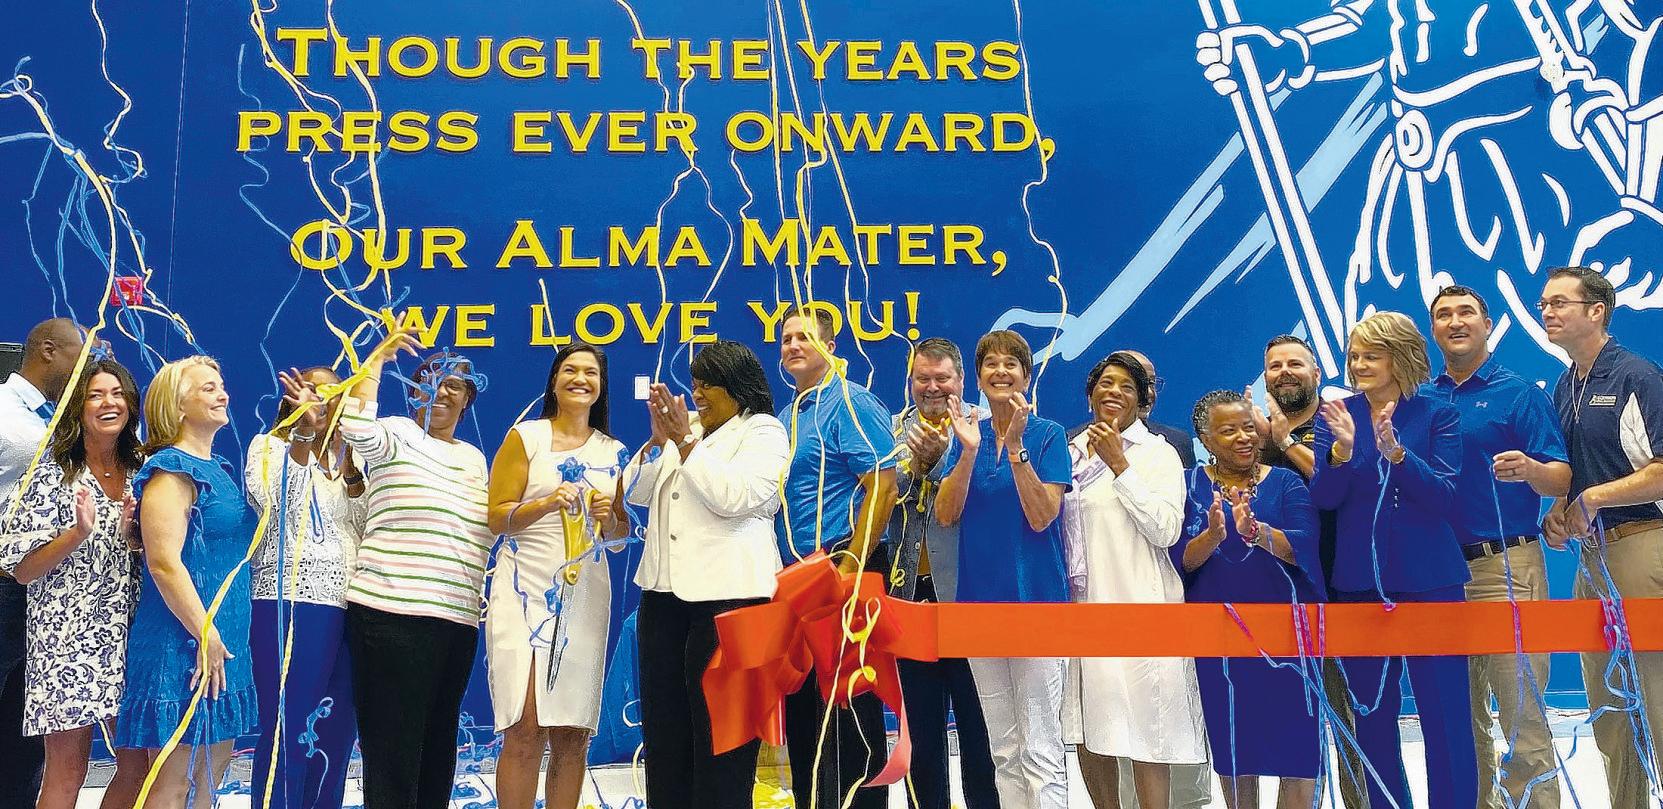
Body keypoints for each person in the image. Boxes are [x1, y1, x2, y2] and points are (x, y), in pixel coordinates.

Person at [1311, 312, 1477, 809]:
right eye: (1354, 356)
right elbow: (1324, 498)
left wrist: (1399, 457)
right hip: (1360, 583)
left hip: (1431, 580)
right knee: (1372, 716)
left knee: (1446, 716)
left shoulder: (1438, 414)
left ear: (1400, 357)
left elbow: (1445, 496)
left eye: (1371, 355)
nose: (1359, 364)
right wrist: (1341, 454)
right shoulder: (1336, 415)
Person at [1422, 285, 1568, 809]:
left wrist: (1530, 470)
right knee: (1461, 724)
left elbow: (1561, 477)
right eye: (1444, 314)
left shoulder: (1520, 394)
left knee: (1522, 717)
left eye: (1466, 312)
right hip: (1438, 575)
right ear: (1433, 330)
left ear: (1487, 325)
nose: (1455, 321)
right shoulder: (1421, 399)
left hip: (1506, 566)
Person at [628, 340, 791, 809]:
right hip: (663, 600)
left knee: (723, 744)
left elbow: (735, 497)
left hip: (731, 601)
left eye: (708, 385)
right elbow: (635, 492)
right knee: (666, 738)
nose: (697, 394)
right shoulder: (688, 432)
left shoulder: (763, 431)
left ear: (736, 387)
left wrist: (684, 443)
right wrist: (658, 442)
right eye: (695, 384)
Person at [338, 331, 493, 809]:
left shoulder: (474, 460)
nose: (440, 390)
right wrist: (377, 360)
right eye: (429, 379)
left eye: (453, 385)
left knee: (438, 746)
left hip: (456, 621)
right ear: (412, 390)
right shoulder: (397, 432)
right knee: (393, 750)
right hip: (391, 615)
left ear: (467, 400)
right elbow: (354, 426)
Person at [1539, 265, 1663, 807]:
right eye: (1544, 304)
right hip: (1593, 559)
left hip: (1644, 544)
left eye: (1559, 303)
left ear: (1596, 311)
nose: (1547, 312)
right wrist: (1560, 509)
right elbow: (1577, 473)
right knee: (1609, 707)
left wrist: (1593, 498)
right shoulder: (1565, 385)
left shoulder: (1638, 376)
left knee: (1657, 700)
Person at [486, 344, 629, 809]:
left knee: (572, 731)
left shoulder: (614, 452)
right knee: (524, 726)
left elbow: (620, 535)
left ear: (601, 387)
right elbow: (497, 517)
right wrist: (546, 504)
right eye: (570, 369)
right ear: (554, 380)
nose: (580, 379)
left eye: (591, 372)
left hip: (585, 596)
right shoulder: (526, 437)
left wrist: (611, 519)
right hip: (523, 590)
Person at [1060, 352, 1205, 809]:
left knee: (1149, 728)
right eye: (1105, 383)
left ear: (1143, 401)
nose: (1114, 392)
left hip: (1142, 604)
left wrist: (1120, 466)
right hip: (1083, 608)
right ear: (1090, 395)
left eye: (1127, 386)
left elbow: (1166, 529)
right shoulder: (1068, 451)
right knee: (1089, 725)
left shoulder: (1158, 452)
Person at [0, 358, 146, 809]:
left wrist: (134, 537)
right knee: (68, 771)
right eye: (96, 395)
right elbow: (21, 569)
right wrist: (77, 533)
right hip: (64, 639)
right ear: (77, 407)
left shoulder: (142, 468)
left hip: (129, 633)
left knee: (139, 767)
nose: (108, 403)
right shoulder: (50, 471)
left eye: (117, 394)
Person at [936, 329, 1072, 809]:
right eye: (990, 364)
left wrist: (1015, 449)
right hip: (978, 608)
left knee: (1041, 750)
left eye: (1010, 363)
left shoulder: (1048, 434)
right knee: (1004, 750)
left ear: (1026, 377)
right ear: (978, 378)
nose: (1000, 371)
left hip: (1036, 604)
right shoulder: (965, 437)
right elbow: (946, 514)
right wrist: (970, 452)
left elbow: (1042, 515)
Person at [118, 355, 259, 808]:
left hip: (222, 643)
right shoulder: (171, 470)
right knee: (174, 782)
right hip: (184, 645)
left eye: (221, 385)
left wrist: (217, 637)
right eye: (208, 388)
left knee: (211, 779)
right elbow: (163, 562)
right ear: (177, 405)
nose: (223, 395)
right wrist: (204, 632)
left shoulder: (217, 467)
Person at [1175, 389, 1324, 809]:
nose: (1244, 437)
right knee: (1235, 749)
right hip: (1221, 643)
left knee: (1299, 751)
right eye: (1228, 431)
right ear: (1205, 439)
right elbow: (1181, 559)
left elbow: (1305, 545)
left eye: (1247, 428)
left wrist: (1257, 534)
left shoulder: (1286, 481)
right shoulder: (1189, 484)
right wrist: (1214, 535)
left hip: (1288, 641)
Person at [775, 308, 898, 809]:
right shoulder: (787, 416)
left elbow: (883, 486)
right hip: (799, 581)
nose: (793, 345)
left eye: (804, 337)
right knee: (806, 715)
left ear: (830, 346)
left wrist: (850, 567)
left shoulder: (851, 402)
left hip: (844, 568)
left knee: (851, 713)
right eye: (786, 338)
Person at [1251, 334, 1366, 808]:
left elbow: (1337, 484)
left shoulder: (1340, 422)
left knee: (1352, 721)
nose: (1284, 373)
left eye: (1295, 364)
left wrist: (1283, 440)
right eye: (1274, 366)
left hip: (1341, 590)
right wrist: (1264, 442)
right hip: (1276, 597)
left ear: (1317, 373)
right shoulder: (1252, 437)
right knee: (1289, 724)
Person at [245, 366, 366, 809]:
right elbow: (280, 506)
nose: (323, 398)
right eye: (314, 389)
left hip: (351, 604)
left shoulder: (353, 457)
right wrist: (303, 437)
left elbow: (364, 527)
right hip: (292, 601)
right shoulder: (269, 447)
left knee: (335, 733)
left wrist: (352, 474)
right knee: (289, 727)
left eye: (333, 391)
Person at [888, 337, 999, 809]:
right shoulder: (891, 430)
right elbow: (882, 495)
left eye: (942, 379)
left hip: (970, 597)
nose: (932, 388)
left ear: (961, 380)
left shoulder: (987, 429)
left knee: (980, 731)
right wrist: (917, 465)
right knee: (921, 733)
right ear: (910, 381)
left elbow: (988, 499)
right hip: (910, 597)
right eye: (922, 379)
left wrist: (942, 461)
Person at [0, 317, 84, 805]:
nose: (85, 366)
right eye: (80, 354)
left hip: (42, 592)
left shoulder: (57, 420)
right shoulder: (4, 410)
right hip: (3, 587)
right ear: (49, 350)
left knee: (22, 739)